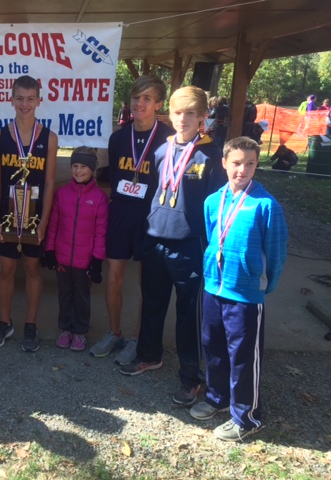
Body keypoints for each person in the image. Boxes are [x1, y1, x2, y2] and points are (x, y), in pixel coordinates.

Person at [120, 86, 226, 408]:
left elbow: (220, 206)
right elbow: (155, 191)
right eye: (179, 112)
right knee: (152, 303)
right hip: (156, 239)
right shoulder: (162, 150)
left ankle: (190, 377)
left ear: (203, 116)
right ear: (171, 114)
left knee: (187, 316)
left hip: (189, 245)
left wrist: (212, 246)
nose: (183, 119)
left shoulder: (211, 154)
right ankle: (149, 356)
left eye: (191, 113)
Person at [190, 136, 287, 442]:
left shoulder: (266, 205)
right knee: (213, 346)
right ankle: (217, 398)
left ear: (257, 165)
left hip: (244, 294)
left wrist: (264, 284)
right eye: (236, 163)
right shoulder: (212, 201)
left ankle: (246, 416)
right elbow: (210, 238)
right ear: (224, 163)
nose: (242, 170)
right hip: (214, 287)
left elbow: (275, 252)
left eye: (250, 164)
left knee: (243, 355)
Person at [89, 75, 174, 364]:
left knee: (146, 281)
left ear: (159, 104)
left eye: (147, 98)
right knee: (113, 278)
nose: (140, 103)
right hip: (122, 212)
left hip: (152, 215)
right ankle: (115, 333)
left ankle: (138, 340)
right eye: (137, 97)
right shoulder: (118, 137)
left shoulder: (168, 137)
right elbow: (114, 177)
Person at [0, 75, 57, 352]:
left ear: (39, 101)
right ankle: (5, 322)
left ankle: (30, 324)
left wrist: (44, 222)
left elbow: (50, 182)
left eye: (30, 99)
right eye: (20, 98)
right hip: (6, 215)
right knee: (5, 269)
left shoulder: (49, 138)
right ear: (11, 99)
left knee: (32, 268)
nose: (25, 104)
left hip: (36, 217)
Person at [44, 147, 108, 352]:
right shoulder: (61, 194)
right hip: (63, 257)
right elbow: (53, 224)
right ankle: (65, 329)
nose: (78, 171)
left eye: (83, 167)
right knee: (64, 294)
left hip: (85, 260)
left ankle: (79, 331)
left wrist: (97, 260)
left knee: (82, 296)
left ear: (93, 170)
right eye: (75, 166)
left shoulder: (99, 198)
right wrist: (50, 250)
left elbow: (101, 233)